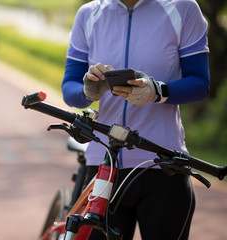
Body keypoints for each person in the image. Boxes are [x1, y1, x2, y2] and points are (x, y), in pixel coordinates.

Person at [61, 0, 210, 239]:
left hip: (163, 164)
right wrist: (87, 92)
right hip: (104, 164)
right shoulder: (89, 14)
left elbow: (200, 84)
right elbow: (70, 87)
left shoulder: (182, 8)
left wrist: (158, 90)